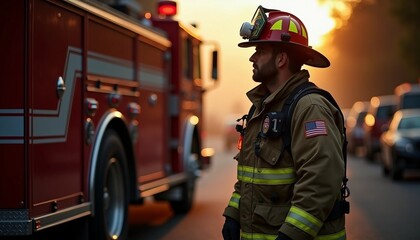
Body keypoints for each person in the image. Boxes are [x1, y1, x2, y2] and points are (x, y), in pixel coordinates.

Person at [222, 6, 348, 240]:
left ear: (281, 58)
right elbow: (251, 176)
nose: (252, 57)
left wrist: (291, 235)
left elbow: (320, 183)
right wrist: (233, 213)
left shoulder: (310, 108)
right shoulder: (262, 108)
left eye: (260, 50)